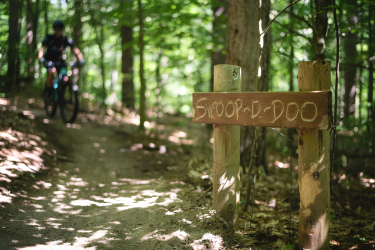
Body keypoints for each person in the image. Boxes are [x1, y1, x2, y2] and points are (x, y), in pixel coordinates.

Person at [38, 20, 85, 90]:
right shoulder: (49, 38)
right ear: (54, 29)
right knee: (52, 72)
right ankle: (48, 91)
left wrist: (81, 59)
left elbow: (75, 50)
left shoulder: (65, 39)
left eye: (60, 29)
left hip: (60, 62)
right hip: (49, 61)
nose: (58, 31)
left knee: (65, 78)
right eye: (56, 28)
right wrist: (40, 58)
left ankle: (62, 95)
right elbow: (42, 49)